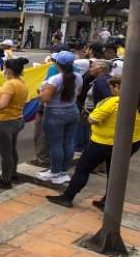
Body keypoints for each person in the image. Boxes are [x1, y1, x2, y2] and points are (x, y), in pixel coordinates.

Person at [46, 78, 140, 209]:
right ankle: (108, 202)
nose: (110, 91)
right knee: (114, 173)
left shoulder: (114, 102)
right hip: (130, 143)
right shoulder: (136, 102)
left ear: (117, 87)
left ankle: (67, 197)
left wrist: (88, 115)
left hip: (102, 143)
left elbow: (92, 119)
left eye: (111, 88)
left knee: (82, 169)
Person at [0, 58, 30, 189]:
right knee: (11, 149)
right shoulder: (21, 82)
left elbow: (3, 103)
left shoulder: (10, 84)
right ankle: (12, 173)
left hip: (4, 122)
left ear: (8, 70)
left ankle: (5, 180)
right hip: (17, 119)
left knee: (5, 153)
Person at [37, 51, 82, 185]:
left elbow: (45, 98)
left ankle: (55, 172)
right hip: (72, 111)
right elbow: (77, 93)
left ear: (58, 64)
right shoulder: (78, 77)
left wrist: (40, 92)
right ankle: (63, 172)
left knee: (55, 144)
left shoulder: (55, 79)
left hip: (54, 113)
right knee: (68, 143)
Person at [75, 60, 113, 153]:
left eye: (92, 66)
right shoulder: (101, 79)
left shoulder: (101, 81)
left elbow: (108, 99)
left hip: (98, 118)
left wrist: (98, 113)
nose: (89, 69)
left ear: (100, 69)